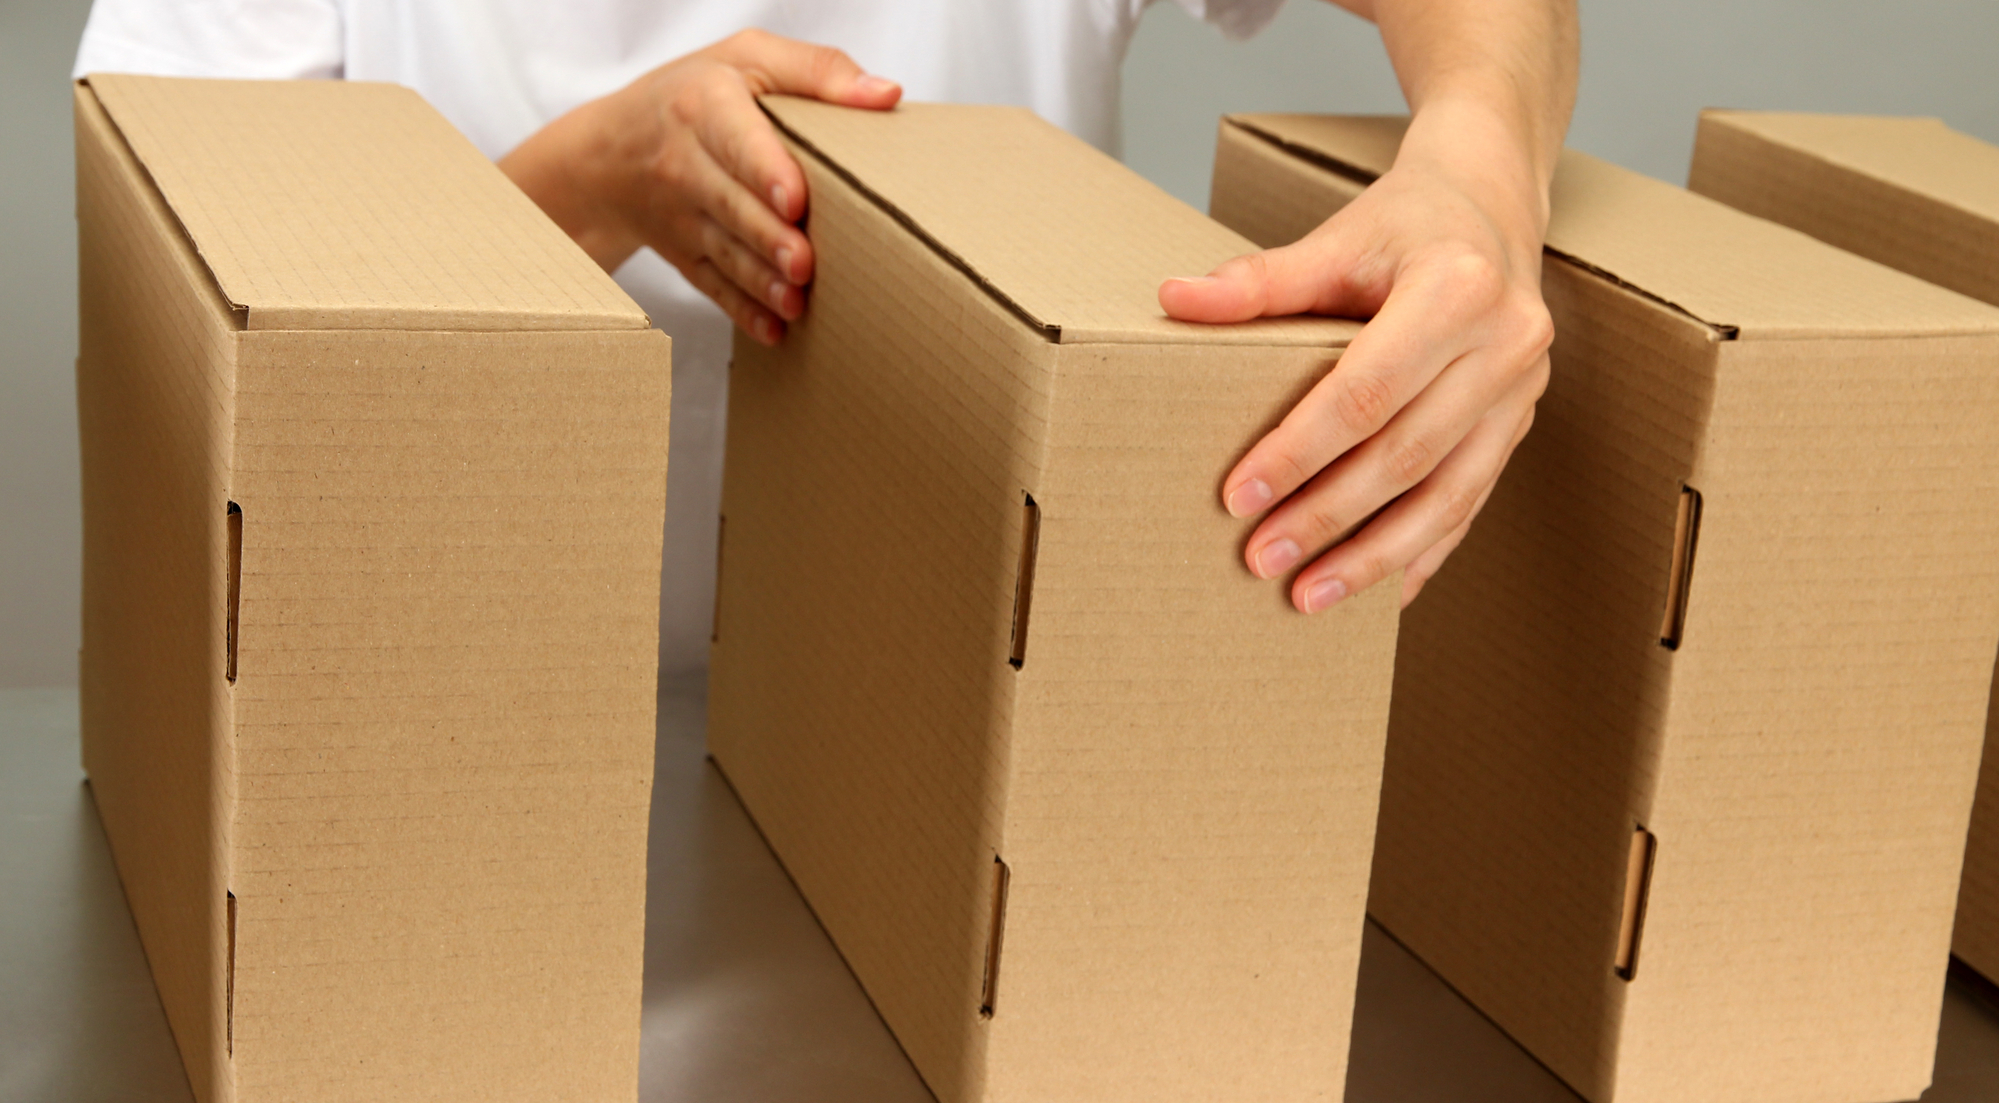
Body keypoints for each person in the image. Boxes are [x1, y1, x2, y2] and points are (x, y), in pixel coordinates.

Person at [75, 0, 1575, 670]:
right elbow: (200, 301)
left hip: (944, 729)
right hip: (423, 708)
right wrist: (597, 179)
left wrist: (1479, 169)